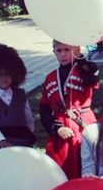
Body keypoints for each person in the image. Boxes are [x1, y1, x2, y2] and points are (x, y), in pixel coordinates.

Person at [40, 41, 99, 178]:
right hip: (61, 128)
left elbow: (91, 81)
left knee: (87, 163)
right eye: (59, 50)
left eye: (67, 50)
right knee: (60, 167)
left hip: (82, 124)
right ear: (54, 51)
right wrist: (56, 128)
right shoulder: (50, 77)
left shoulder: (87, 68)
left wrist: (80, 58)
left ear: (75, 49)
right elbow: (44, 108)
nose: (63, 54)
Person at [0, 43, 36, 151]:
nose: (4, 77)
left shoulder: (20, 96)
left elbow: (29, 120)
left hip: (21, 142)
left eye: (8, 73)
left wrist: (28, 134)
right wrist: (0, 140)